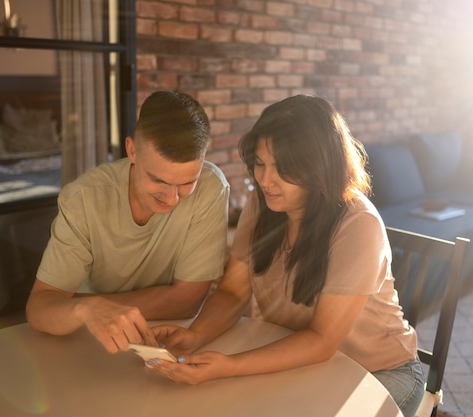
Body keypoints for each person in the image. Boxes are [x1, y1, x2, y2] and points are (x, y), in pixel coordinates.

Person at [147, 94, 425, 417]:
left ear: (320, 166)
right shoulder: (264, 205)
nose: (265, 180)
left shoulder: (358, 224)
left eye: (283, 168)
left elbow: (321, 340)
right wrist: (194, 335)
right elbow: (233, 292)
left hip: (381, 372)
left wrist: (227, 366)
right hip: (310, 364)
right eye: (260, 164)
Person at [25, 90, 230, 354]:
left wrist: (92, 305)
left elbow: (187, 301)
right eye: (159, 181)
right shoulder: (83, 199)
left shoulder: (211, 188)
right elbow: (39, 310)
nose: (172, 198)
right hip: (90, 343)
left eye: (187, 183)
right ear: (132, 150)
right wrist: (87, 310)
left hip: (171, 336)